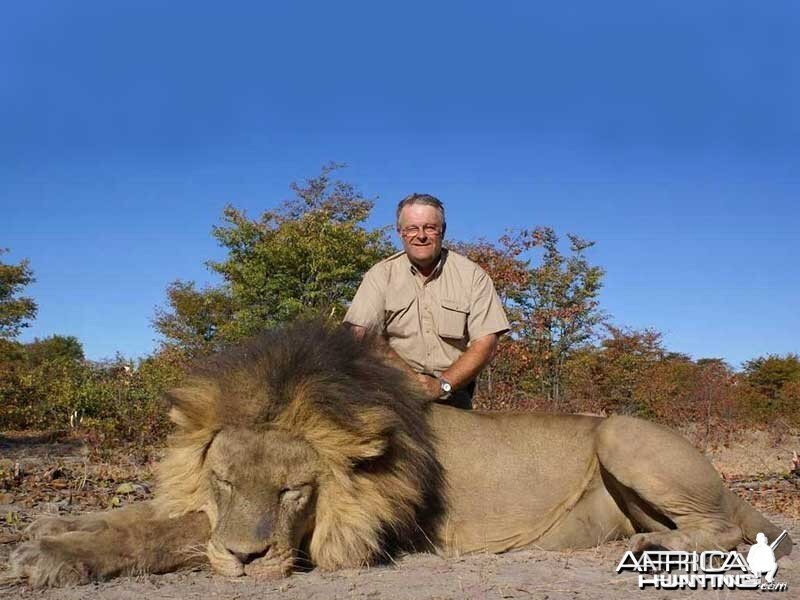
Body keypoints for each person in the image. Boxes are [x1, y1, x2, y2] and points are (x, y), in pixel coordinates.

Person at [344, 193, 510, 409]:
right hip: (390, 394)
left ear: (443, 231)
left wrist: (442, 385)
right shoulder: (380, 275)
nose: (420, 235)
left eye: (430, 227)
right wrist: (410, 382)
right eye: (412, 228)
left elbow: (485, 343)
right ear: (400, 233)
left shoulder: (473, 276)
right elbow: (360, 334)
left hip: (451, 396)